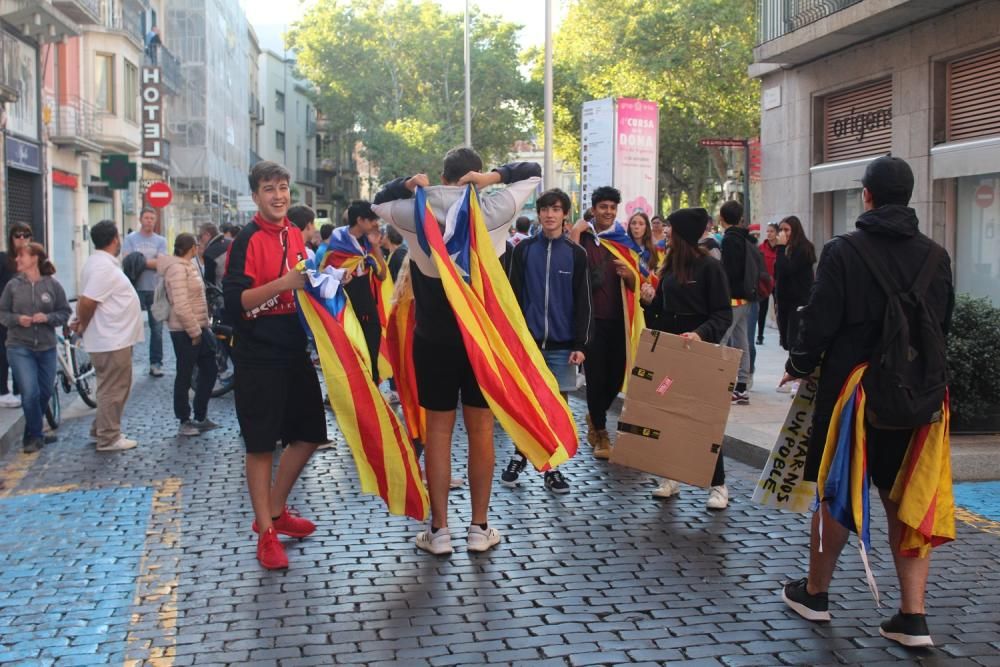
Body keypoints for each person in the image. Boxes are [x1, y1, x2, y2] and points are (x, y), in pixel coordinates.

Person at [779, 155, 954, 648]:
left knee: (837, 491)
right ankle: (912, 617)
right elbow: (943, 325)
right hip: (917, 398)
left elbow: (819, 321)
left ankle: (815, 594)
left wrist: (798, 363)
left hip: (852, 394)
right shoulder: (936, 255)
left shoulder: (844, 251)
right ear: (910, 195)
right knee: (905, 495)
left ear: (867, 196)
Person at [372, 148, 541, 555]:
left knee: (438, 434)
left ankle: (440, 530)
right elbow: (533, 171)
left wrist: (409, 184)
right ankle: (479, 528)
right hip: (481, 341)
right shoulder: (495, 207)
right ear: (474, 176)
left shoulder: (415, 213)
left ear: (443, 176)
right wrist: (493, 180)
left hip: (434, 339)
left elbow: (377, 200)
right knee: (481, 432)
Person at [223, 161, 329, 570]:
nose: (278, 195)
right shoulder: (246, 239)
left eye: (283, 188)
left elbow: (307, 284)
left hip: (292, 347)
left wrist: (335, 283)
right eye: (269, 189)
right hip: (256, 352)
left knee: (308, 435)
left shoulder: (295, 235)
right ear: (255, 196)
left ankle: (277, 510)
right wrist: (284, 284)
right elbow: (235, 304)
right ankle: (266, 532)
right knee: (261, 444)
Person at [640, 208, 733, 509]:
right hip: (671, 353)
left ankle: (718, 485)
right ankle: (670, 477)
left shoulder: (709, 267)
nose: (665, 232)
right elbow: (661, 315)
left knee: (704, 418)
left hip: (701, 354)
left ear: (682, 234)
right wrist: (647, 303)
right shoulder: (667, 268)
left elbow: (722, 313)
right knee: (666, 412)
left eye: (670, 228)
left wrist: (700, 333)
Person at [502, 188, 591, 494]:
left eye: (556, 209)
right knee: (525, 405)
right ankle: (519, 454)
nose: (550, 215)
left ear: (565, 214)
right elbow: (511, 297)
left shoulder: (577, 254)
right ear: (538, 214)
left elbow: (583, 303)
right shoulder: (523, 251)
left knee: (556, 409)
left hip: (563, 346)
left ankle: (552, 468)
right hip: (527, 347)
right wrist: (511, 340)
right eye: (545, 209)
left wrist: (581, 345)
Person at [570, 186, 637, 460]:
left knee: (617, 376)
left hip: (619, 321)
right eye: (603, 207)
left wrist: (629, 275)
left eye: (612, 207)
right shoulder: (583, 239)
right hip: (590, 320)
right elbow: (570, 268)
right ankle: (600, 430)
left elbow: (638, 280)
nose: (608, 212)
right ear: (594, 209)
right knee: (595, 378)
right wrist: (575, 233)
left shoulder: (623, 240)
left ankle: (594, 415)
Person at [72, 220, 144, 452]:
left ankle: (100, 428)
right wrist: (82, 323)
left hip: (114, 337)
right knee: (114, 388)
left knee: (112, 386)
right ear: (115, 239)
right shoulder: (102, 267)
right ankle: (108, 436)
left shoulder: (102, 264)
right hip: (111, 339)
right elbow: (87, 301)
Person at [0, 243, 71, 453]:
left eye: (22, 256)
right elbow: (2, 314)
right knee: (30, 392)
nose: (18, 260)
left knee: (45, 391)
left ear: (35, 259)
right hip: (19, 346)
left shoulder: (52, 285)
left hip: (47, 347)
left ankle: (30, 433)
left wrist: (47, 317)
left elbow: (65, 312)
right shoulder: (12, 286)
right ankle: (36, 436)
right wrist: (16, 319)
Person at [158, 233, 218, 438]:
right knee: (184, 374)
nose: (199, 248)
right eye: (197, 245)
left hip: (199, 326)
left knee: (210, 368)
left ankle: (200, 415)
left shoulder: (188, 266)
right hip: (185, 330)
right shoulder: (176, 269)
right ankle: (184, 419)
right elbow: (181, 305)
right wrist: (194, 331)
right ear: (192, 247)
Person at [327, 201, 385, 383]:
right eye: (372, 219)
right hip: (347, 310)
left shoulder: (368, 243)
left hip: (368, 306)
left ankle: (373, 394)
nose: (376, 223)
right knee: (353, 357)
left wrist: (376, 246)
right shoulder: (337, 243)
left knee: (372, 354)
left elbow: (382, 274)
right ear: (360, 220)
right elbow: (326, 275)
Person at [123, 207, 167, 377]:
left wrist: (139, 260)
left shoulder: (160, 240)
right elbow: (127, 260)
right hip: (134, 289)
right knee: (130, 328)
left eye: (152, 218)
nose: (149, 220)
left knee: (157, 330)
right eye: (146, 217)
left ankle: (156, 363)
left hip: (155, 289)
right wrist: (150, 261)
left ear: (155, 221)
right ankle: (126, 363)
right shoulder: (130, 239)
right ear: (141, 219)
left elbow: (161, 263)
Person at [718, 201, 754, 405]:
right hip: (746, 297)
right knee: (742, 342)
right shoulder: (745, 238)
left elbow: (728, 271)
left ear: (721, 218)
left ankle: (717, 382)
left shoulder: (730, 239)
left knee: (721, 339)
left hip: (731, 298)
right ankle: (741, 387)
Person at [0, 222, 34, 409]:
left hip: (28, 315)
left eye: (26, 235)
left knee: (24, 353)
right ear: (11, 238)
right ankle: (3, 391)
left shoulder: (34, 259)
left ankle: (21, 389)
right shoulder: (4, 260)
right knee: (4, 353)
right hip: (7, 316)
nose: (21, 239)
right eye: (17, 235)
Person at [774, 215, 816, 358]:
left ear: (795, 230)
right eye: (780, 230)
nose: (783, 233)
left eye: (787, 229)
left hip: (798, 303)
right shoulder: (787, 248)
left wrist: (780, 248)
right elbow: (779, 274)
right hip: (784, 303)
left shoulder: (803, 249)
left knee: (794, 342)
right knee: (787, 343)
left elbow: (788, 270)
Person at [757, 222, 779, 345]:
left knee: (778, 309)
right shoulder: (761, 247)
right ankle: (760, 335)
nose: (769, 233)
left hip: (777, 283)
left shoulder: (781, 248)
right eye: (768, 231)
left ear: (777, 233)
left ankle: (782, 336)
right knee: (762, 310)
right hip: (764, 283)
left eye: (772, 231)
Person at [198, 222, 230, 291]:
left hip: (221, 293)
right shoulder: (231, 242)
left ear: (207, 234)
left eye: (200, 236)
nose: (200, 240)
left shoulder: (209, 253)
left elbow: (209, 282)